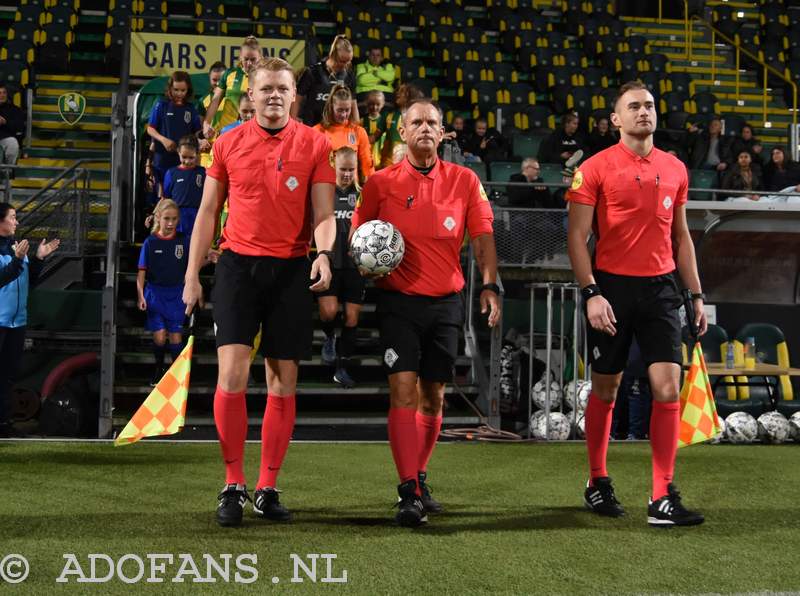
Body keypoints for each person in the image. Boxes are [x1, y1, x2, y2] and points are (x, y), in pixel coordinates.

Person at [182, 57, 336, 528]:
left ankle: (267, 487)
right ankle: (233, 483)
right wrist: (192, 275)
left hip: (291, 270)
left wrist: (324, 253)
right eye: (264, 88)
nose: (273, 95)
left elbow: (325, 213)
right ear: (249, 95)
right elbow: (208, 213)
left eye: (281, 88)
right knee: (231, 375)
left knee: (281, 381)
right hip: (236, 269)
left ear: (295, 96)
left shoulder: (316, 144)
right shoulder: (227, 143)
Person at [351, 99, 500, 527]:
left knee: (434, 399)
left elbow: (483, 236)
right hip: (398, 303)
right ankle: (407, 491)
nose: (425, 128)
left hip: (446, 303)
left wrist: (489, 284)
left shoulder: (466, 182)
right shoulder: (379, 184)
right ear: (402, 130)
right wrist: (361, 260)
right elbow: (357, 237)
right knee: (403, 391)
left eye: (433, 122)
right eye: (416, 121)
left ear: (443, 132)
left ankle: (419, 474)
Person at [566, 81, 707, 527]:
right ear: (616, 119)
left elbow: (681, 236)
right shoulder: (593, 169)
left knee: (668, 388)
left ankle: (662, 496)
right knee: (606, 389)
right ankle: (596, 480)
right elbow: (576, 237)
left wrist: (697, 294)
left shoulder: (675, 168)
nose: (644, 112)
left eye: (649, 105)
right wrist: (591, 293)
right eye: (634, 107)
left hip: (662, 290)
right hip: (611, 289)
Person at [0, 202, 59, 437]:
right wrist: (16, 260)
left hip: (17, 323)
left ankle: (3, 425)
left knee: (7, 376)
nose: (17, 222)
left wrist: (38, 259)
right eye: (12, 217)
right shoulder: (13, 252)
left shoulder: (17, 247)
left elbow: (27, 282)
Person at [317, 147, 365, 387]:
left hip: (354, 265)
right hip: (329, 262)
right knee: (328, 312)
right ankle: (329, 336)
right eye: (343, 170)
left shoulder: (363, 195)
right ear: (335, 167)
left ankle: (342, 368)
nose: (347, 174)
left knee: (351, 316)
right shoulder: (323, 193)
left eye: (351, 170)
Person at [137, 199, 188, 385]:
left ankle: (175, 377)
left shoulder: (183, 240)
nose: (170, 222)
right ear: (158, 218)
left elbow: (194, 262)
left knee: (176, 337)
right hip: (155, 295)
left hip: (177, 295)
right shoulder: (150, 242)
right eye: (167, 218)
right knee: (159, 336)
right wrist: (141, 295)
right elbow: (141, 272)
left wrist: (209, 258)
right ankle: (158, 368)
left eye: (174, 219)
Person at [146, 71, 202, 194]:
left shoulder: (191, 109)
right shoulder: (161, 105)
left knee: (178, 196)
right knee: (162, 197)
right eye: (176, 90)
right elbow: (150, 128)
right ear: (170, 88)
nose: (179, 93)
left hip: (182, 161)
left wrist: (201, 140)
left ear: (188, 90)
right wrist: (163, 139)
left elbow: (197, 132)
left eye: (183, 90)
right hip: (162, 160)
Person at [202, 36, 262, 139]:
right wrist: (206, 124)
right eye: (246, 59)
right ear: (240, 57)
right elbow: (215, 100)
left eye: (253, 59)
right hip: (227, 130)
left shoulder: (265, 77)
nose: (249, 63)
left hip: (254, 132)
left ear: (260, 57)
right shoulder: (229, 74)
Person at [313, 84, 374, 182]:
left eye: (347, 110)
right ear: (331, 107)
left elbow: (368, 165)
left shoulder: (359, 132)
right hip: (326, 188)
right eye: (340, 110)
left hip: (351, 192)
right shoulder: (317, 132)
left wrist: (372, 186)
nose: (344, 115)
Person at [293, 35, 358, 126]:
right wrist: (293, 119)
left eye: (348, 61)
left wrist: (356, 125)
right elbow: (297, 97)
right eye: (342, 61)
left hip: (336, 128)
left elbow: (353, 103)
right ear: (332, 55)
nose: (345, 65)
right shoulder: (312, 72)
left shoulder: (349, 75)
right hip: (312, 125)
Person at [161, 135, 205, 238]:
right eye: (184, 157)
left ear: (197, 154)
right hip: (178, 218)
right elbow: (166, 199)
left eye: (191, 157)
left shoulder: (203, 172)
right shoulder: (171, 173)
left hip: (197, 217)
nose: (187, 161)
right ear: (178, 152)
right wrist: (155, 214)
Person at [379, 83, 424, 169]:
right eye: (397, 91)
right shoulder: (387, 115)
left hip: (408, 166)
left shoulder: (417, 117)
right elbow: (374, 137)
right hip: (388, 165)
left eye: (402, 91)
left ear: (410, 96)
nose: (398, 93)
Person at [197, 61, 227, 168]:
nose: (218, 83)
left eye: (221, 80)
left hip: (227, 147)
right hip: (208, 151)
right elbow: (199, 129)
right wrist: (201, 140)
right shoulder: (203, 100)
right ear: (209, 78)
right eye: (214, 80)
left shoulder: (232, 99)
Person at [0, 84, 25, 166]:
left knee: (13, 143)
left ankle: (8, 169)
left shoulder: (15, 109)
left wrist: (5, 122)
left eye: (4, 93)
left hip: (6, 138)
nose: (2, 95)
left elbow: (19, 127)